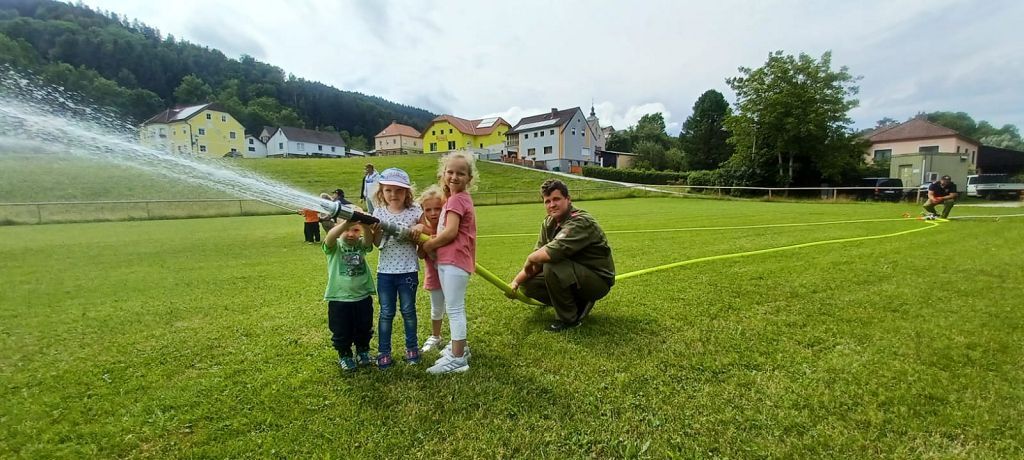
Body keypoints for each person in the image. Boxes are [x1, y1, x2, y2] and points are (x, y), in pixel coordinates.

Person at [508, 179, 615, 332]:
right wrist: (515, 283)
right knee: (528, 284)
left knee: (551, 265)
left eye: (556, 199)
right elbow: (536, 262)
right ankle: (578, 303)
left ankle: (569, 319)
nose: (552, 205)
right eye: (547, 201)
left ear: (568, 199)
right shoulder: (548, 223)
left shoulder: (580, 221)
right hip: (572, 273)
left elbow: (543, 256)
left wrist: (531, 258)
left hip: (597, 280)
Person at [420, 151, 478, 374]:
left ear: (469, 178)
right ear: (443, 174)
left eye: (460, 173)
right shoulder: (454, 199)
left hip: (455, 260)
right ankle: (459, 349)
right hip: (450, 260)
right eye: (450, 172)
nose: (454, 176)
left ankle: (457, 358)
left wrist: (429, 245)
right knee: (454, 308)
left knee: (454, 309)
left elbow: (451, 231)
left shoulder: (457, 200)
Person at [370, 168, 422, 369]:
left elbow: (424, 229)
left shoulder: (415, 211)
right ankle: (384, 352)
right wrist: (375, 232)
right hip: (385, 273)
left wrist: (418, 228)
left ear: (407, 192)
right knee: (386, 313)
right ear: (381, 192)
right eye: (388, 190)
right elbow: (376, 243)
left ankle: (412, 348)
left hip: (408, 271)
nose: (394, 195)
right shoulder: (379, 212)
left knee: (408, 311)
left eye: (399, 190)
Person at [322, 214, 375, 372]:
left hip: (362, 297)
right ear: (339, 229)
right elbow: (330, 238)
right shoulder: (335, 246)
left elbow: (369, 241)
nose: (351, 234)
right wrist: (346, 223)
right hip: (340, 299)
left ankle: (363, 351)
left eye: (356, 230)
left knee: (364, 327)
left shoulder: (360, 245)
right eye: (346, 230)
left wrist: (365, 224)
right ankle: (344, 354)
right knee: (341, 329)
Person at [414, 185, 446, 354]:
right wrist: (422, 239)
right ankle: (436, 336)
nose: (433, 213)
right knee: (436, 307)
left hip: (451, 275)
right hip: (434, 275)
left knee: (454, 307)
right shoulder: (422, 229)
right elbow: (421, 255)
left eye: (438, 208)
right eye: (428, 210)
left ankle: (458, 339)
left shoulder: (448, 228)